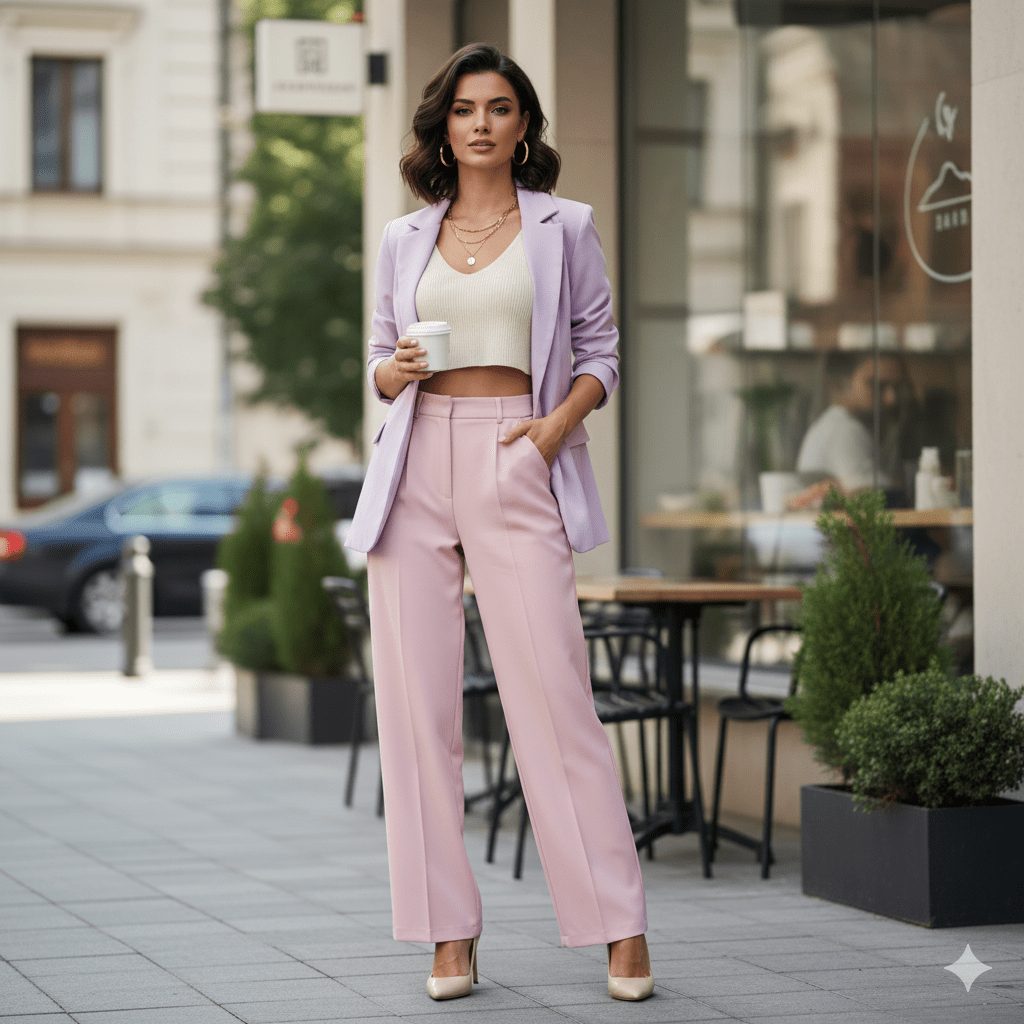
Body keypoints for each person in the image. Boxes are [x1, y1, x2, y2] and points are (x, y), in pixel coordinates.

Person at [343, 44, 653, 1002]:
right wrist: (388, 372)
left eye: (501, 107)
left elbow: (601, 348)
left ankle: (618, 924)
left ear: (524, 126)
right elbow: (379, 361)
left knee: (554, 699)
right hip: (414, 458)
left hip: (518, 448)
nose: (481, 122)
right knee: (416, 710)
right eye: (466, 108)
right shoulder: (405, 237)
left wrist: (555, 429)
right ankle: (447, 932)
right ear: (444, 125)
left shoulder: (567, 227)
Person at [790, 352, 907, 509]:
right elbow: (871, 496)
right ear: (839, 383)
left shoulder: (837, 425)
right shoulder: (842, 430)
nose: (891, 398)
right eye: (877, 385)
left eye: (897, 387)